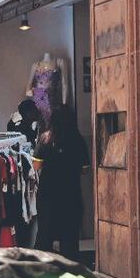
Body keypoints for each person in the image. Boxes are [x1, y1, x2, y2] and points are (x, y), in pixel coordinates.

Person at [34, 105, 89, 262]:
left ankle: (43, 269)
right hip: (71, 194)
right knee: (69, 237)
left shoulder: (45, 139)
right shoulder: (78, 140)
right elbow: (85, 170)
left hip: (48, 195)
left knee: (45, 234)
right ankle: (70, 271)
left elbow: (36, 166)